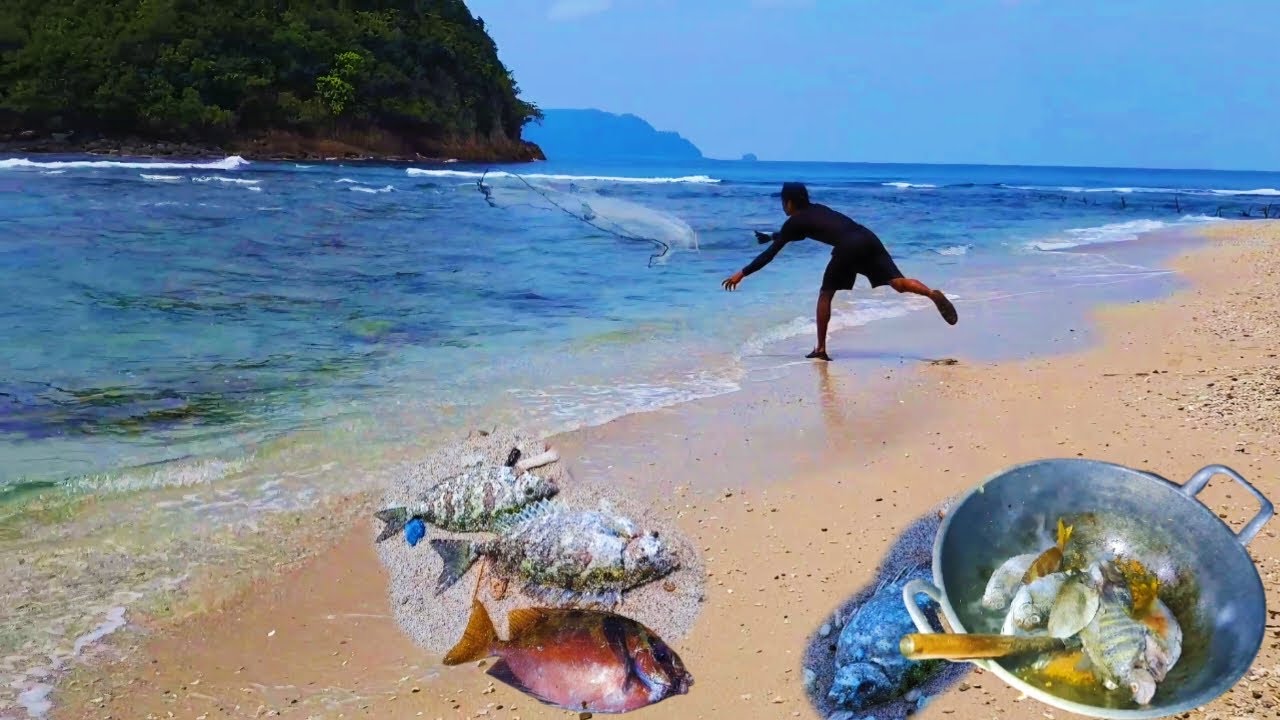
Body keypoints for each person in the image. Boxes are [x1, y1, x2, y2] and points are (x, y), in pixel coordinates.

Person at [722, 182, 957, 361]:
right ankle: (930, 293)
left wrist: (742, 273)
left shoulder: (794, 221)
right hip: (867, 237)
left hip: (848, 247)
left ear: (789, 203)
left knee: (826, 294)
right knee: (897, 282)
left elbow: (771, 254)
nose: (783, 206)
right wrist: (772, 236)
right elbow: (803, 232)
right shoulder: (817, 209)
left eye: (783, 202)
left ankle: (821, 349)